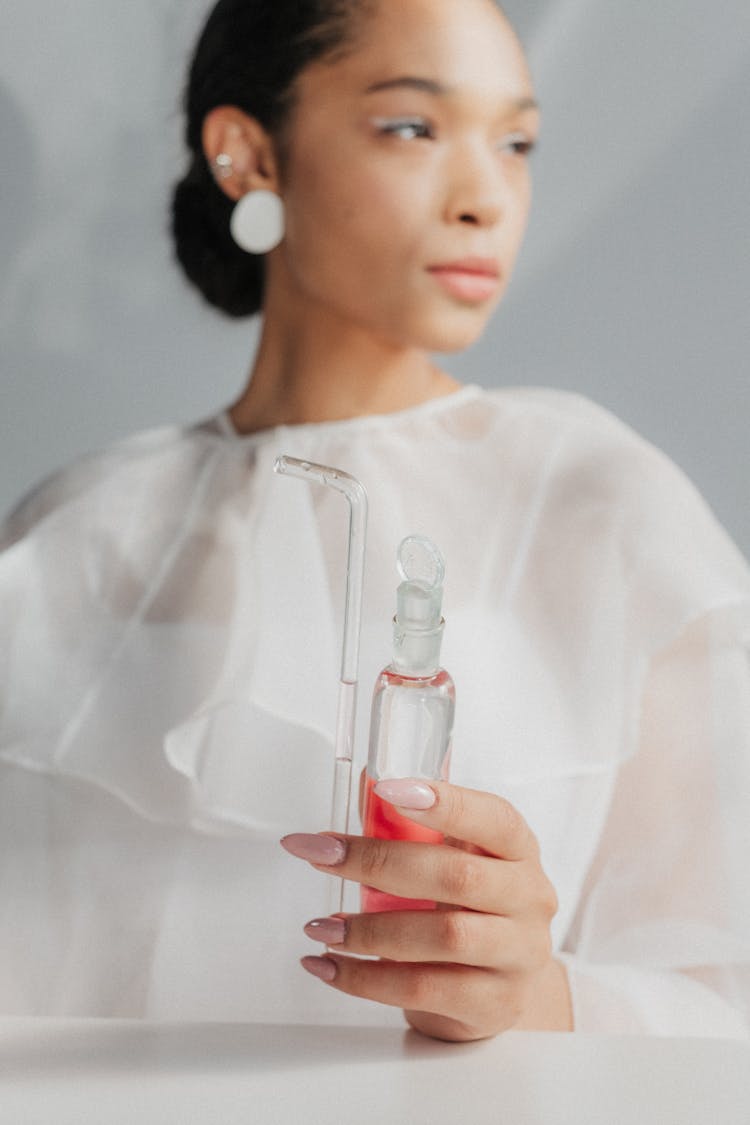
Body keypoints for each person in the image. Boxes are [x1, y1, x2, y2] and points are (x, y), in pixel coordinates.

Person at [1, 0, 749, 1040]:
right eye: (413, 126)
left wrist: (537, 995)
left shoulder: (597, 503)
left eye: (518, 141)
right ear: (248, 156)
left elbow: (722, 1005)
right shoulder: (70, 532)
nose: (488, 197)